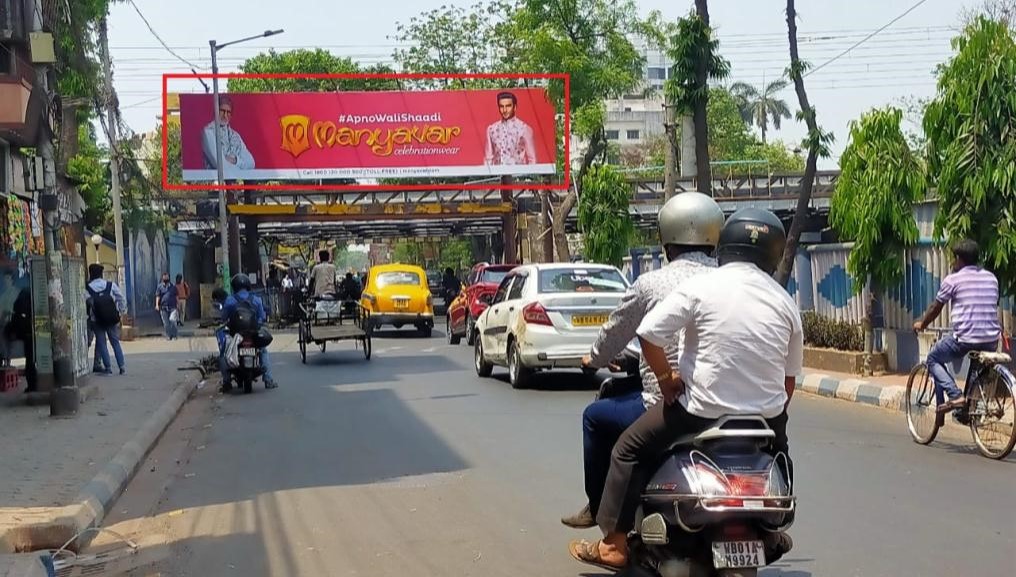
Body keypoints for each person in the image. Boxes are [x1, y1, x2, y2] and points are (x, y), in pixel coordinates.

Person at [569, 208, 801, 571]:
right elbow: (789, 380)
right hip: (764, 418)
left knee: (628, 449)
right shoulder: (785, 301)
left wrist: (667, 380)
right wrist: (768, 409)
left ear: (725, 245)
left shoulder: (701, 287)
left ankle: (614, 544)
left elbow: (648, 335)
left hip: (699, 411)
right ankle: (771, 531)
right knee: (779, 454)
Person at [560, 192, 723, 529]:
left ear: (667, 241)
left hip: (674, 400)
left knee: (595, 418)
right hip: (733, 400)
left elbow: (618, 333)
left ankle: (601, 510)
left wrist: (595, 359)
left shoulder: (652, 284)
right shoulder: (731, 282)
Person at [912, 238, 1002, 414]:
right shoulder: (991, 278)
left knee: (933, 358)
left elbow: (936, 308)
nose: (953, 262)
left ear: (959, 259)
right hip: (991, 340)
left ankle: (955, 395)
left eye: (954, 258)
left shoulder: (953, 280)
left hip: (965, 339)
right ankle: (968, 409)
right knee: (975, 369)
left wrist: (922, 324)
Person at [218, 274, 277, 390]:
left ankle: (226, 382)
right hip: (253, 333)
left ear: (234, 286)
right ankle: (268, 380)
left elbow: (224, 317)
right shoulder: (256, 300)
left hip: (236, 335)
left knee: (224, 352)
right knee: (263, 351)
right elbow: (261, 317)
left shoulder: (230, 301)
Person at [86, 263, 127, 375]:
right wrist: (121, 311)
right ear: (101, 274)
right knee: (115, 342)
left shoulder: (87, 288)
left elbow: (85, 302)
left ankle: (108, 368)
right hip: (111, 318)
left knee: (102, 343)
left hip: (96, 320)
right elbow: (121, 298)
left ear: (90, 274)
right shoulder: (110, 285)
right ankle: (122, 367)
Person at [201, 95, 255, 177]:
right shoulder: (208, 132)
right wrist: (242, 167)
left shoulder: (235, 136)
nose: (225, 115)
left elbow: (251, 163)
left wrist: (235, 160)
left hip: (233, 180)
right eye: (222, 111)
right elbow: (221, 165)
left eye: (228, 112)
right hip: (215, 180)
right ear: (216, 111)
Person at [484, 91, 537, 166]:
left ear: (515, 107)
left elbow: (532, 160)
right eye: (501, 106)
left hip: (518, 172)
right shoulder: (492, 129)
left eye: (508, 106)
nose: (505, 110)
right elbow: (488, 159)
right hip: (497, 173)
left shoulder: (524, 129)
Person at [155, 273, 179, 340]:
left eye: (167, 277)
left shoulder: (173, 287)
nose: (165, 279)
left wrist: (178, 304)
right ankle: (168, 336)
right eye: (164, 277)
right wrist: (157, 305)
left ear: (169, 278)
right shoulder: (159, 287)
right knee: (166, 324)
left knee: (172, 320)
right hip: (163, 308)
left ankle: (174, 335)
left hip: (173, 307)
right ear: (162, 278)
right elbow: (157, 296)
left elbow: (176, 296)